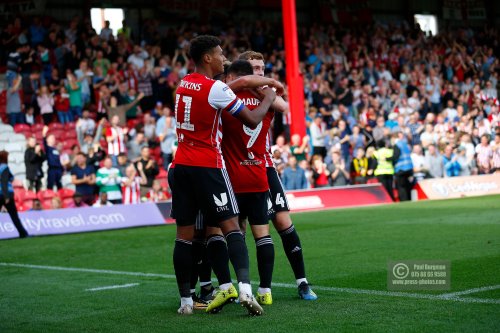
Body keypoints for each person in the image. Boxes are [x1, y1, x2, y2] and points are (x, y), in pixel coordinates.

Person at [171, 36, 278, 316]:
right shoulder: (215, 88)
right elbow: (253, 119)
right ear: (207, 58)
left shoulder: (183, 83)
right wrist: (268, 97)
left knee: (184, 236)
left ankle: (186, 301)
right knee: (231, 226)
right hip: (207, 164)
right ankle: (244, 289)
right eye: (219, 54)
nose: (222, 58)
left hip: (180, 164)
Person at [239, 50, 317, 301]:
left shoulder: (267, 93)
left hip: (265, 166)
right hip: (237, 167)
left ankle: (303, 282)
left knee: (283, 222)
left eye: (262, 68)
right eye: (254, 68)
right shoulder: (232, 93)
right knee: (237, 230)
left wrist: (261, 88)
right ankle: (238, 286)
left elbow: (284, 106)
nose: (260, 72)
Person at [220, 60, 279, 306]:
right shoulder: (268, 102)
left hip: (232, 179)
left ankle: (237, 286)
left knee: (234, 234)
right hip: (258, 176)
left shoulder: (226, 103)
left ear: (233, 76)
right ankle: (265, 290)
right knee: (263, 235)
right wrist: (267, 88)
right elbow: (277, 95)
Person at [0, 151, 29, 238]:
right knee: (14, 216)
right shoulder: (4, 167)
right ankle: (23, 233)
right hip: (6, 194)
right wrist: (6, 196)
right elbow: (5, 180)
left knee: (14, 215)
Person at [392, 132, 414, 201]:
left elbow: (396, 156)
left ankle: (404, 200)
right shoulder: (405, 144)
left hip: (401, 168)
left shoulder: (397, 145)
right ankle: (409, 199)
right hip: (409, 168)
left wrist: (387, 159)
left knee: (401, 186)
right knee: (407, 185)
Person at [42, 126, 63, 191]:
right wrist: (44, 134)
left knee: (59, 185)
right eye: (51, 138)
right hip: (52, 169)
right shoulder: (48, 148)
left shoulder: (56, 149)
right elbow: (44, 142)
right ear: (48, 140)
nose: (53, 139)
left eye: (54, 138)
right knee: (50, 185)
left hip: (58, 169)